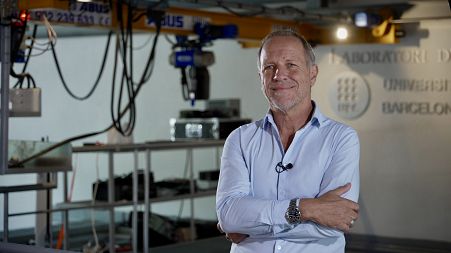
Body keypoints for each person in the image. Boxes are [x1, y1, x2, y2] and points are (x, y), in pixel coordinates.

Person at [215, 30, 360, 253]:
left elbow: (335, 224)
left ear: (313, 74)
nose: (279, 75)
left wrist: (250, 224)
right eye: (269, 67)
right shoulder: (240, 139)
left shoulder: (341, 138)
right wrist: (305, 209)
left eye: (291, 64)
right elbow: (229, 217)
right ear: (260, 77)